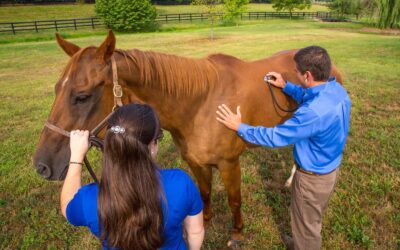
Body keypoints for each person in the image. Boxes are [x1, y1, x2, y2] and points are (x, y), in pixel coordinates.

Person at [216, 46, 351, 250]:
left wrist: (240, 127)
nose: (295, 73)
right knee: (309, 219)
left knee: (307, 227)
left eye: (296, 72)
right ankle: (300, 241)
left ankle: (304, 244)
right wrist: (287, 86)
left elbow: (275, 137)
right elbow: (310, 96)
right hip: (329, 168)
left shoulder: (312, 114)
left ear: (307, 75)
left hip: (312, 179)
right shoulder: (335, 90)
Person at [60, 104, 204, 250]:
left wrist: (76, 156)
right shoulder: (181, 183)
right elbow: (195, 231)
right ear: (152, 146)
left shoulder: (89, 200)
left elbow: (67, 206)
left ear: (111, 144)